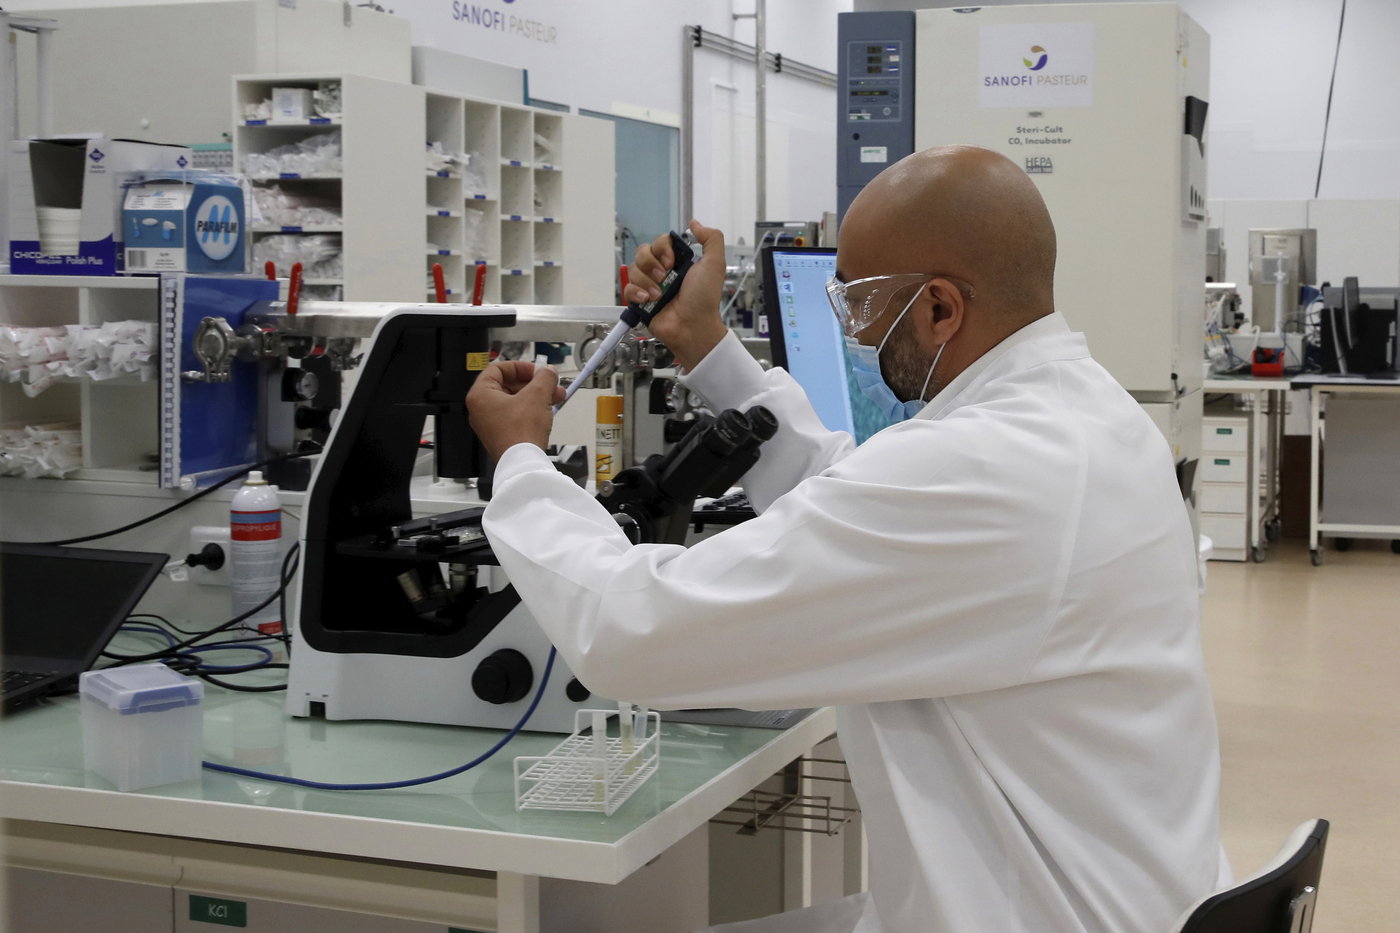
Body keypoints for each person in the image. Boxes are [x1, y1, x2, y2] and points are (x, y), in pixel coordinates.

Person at [465, 145, 1228, 933]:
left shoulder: (979, 468)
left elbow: (629, 629)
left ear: (940, 308)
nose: (851, 330)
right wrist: (704, 342)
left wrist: (522, 464)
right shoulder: (1085, 415)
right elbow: (857, 496)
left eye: (858, 303)